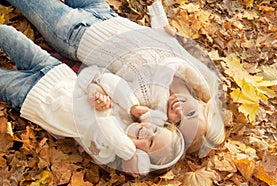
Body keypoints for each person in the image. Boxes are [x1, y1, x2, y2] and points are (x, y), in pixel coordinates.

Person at [6, 0, 225, 158]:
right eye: (191, 113)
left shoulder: (145, 100)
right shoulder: (191, 72)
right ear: (203, 103)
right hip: (106, 14)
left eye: (178, 122)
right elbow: (164, 36)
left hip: (77, 34)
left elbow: (104, 80)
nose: (178, 111)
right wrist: (155, 7)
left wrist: (98, 95)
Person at [0, 25, 185, 176]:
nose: (146, 133)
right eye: (154, 129)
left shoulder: (108, 151)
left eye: (150, 143)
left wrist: (129, 148)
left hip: (34, 97)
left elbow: (112, 134)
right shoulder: (129, 108)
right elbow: (98, 75)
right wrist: (97, 88)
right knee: (9, 34)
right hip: (54, 72)